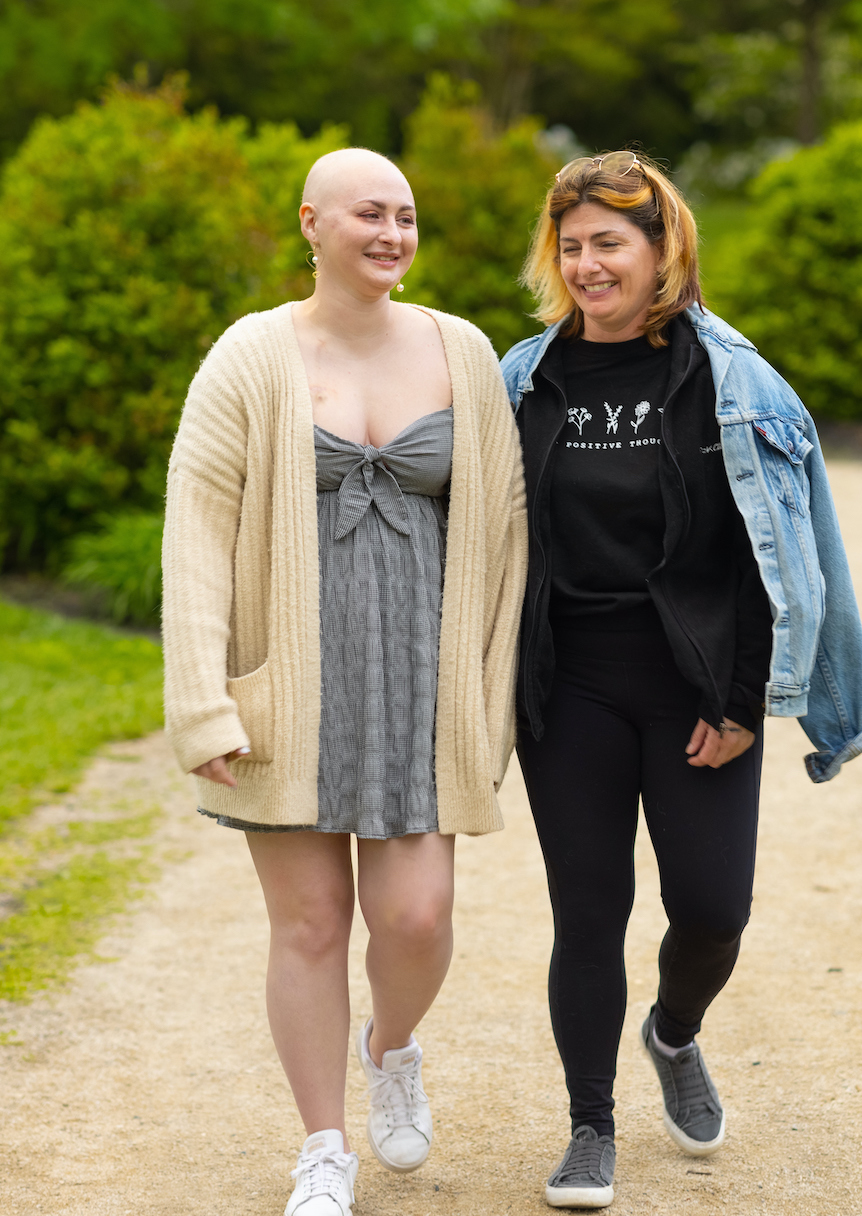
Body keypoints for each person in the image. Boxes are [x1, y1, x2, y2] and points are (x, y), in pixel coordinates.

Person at [499, 151, 862, 1209]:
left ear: (662, 248)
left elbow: (779, 557)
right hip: (567, 685)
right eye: (570, 246)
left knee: (712, 908)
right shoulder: (523, 377)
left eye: (608, 244)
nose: (586, 265)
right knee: (588, 910)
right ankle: (588, 1127)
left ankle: (672, 1031)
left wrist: (747, 699)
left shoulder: (733, 380)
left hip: (693, 686)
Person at [161, 147, 526, 1216]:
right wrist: (203, 703)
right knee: (310, 925)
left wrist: (489, 697)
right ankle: (324, 1147)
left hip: (421, 687)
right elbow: (197, 535)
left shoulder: (463, 353)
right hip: (287, 696)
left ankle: (393, 1045)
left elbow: (504, 536)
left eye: (406, 215)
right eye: (369, 213)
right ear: (312, 222)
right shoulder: (249, 355)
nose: (392, 233)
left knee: (415, 918)